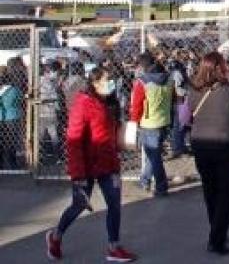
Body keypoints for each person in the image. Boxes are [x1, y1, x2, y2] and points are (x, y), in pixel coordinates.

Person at [45, 67, 137, 262]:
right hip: (86, 165)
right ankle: (55, 237)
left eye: (111, 79)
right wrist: (78, 174)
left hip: (108, 162)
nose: (111, 83)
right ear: (94, 83)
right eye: (107, 80)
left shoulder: (109, 102)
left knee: (114, 204)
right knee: (79, 205)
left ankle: (114, 247)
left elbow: (109, 132)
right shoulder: (83, 104)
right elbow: (74, 140)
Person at [180, 52, 229, 256]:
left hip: (201, 145)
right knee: (227, 192)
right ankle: (216, 238)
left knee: (210, 190)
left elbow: (184, 118)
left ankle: (216, 229)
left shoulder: (192, 91)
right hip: (225, 145)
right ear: (221, 67)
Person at [129, 52, 173, 197]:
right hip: (164, 120)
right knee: (152, 154)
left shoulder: (142, 82)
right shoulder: (168, 79)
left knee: (154, 157)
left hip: (148, 123)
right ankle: (145, 180)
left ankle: (161, 186)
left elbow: (136, 106)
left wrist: (134, 123)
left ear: (142, 66)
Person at [0, 65, 24, 169]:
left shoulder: (1, 91)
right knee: (12, 141)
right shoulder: (14, 90)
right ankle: (12, 162)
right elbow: (21, 99)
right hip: (13, 117)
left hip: (1, 116)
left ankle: (1, 162)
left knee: (1, 140)